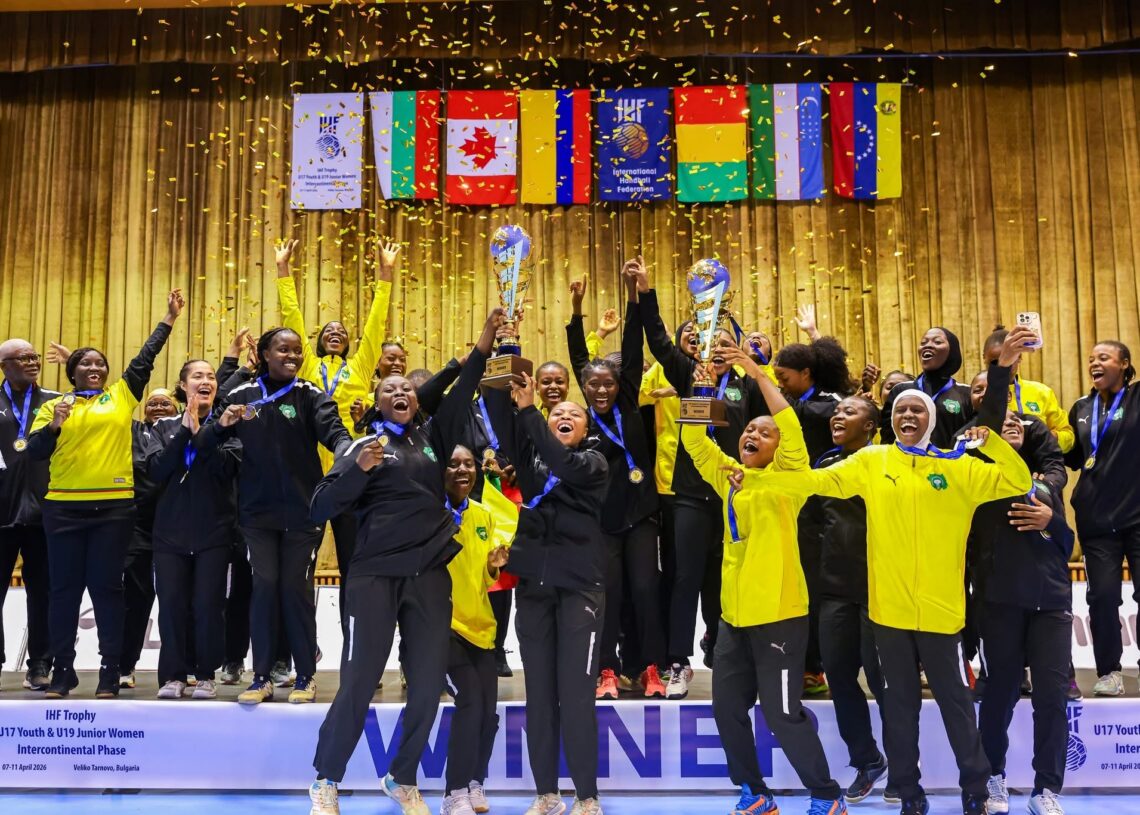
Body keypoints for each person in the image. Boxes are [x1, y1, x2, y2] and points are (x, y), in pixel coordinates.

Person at [763, 373, 1033, 815]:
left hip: (942, 613)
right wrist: (761, 482)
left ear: (930, 420)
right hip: (888, 613)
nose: (909, 415)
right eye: (901, 410)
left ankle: (976, 791)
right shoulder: (872, 461)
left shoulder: (958, 468)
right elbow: (815, 483)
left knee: (957, 708)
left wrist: (992, 443)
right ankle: (909, 793)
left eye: (918, 409)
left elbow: (1017, 479)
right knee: (900, 710)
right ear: (892, 419)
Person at [307, 309, 502, 815]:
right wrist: (356, 471)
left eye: (407, 389)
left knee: (427, 687)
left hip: (429, 575)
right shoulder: (361, 447)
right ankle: (326, 780)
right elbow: (321, 506)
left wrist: (484, 339)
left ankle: (402, 777)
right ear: (375, 402)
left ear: (417, 400)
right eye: (389, 389)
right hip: (373, 576)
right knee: (357, 684)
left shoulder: (435, 437)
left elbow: (462, 390)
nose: (401, 393)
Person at [679, 344, 847, 815]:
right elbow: (694, 442)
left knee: (781, 714)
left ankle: (827, 795)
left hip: (779, 616)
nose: (753, 433)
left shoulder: (789, 478)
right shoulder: (731, 476)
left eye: (763, 433)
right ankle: (754, 792)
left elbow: (789, 423)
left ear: (778, 449)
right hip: (734, 617)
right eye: (749, 429)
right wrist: (701, 387)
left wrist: (754, 371)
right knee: (727, 709)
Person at [27, 289, 183, 699]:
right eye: (86, 363)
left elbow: (144, 360)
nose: (94, 367)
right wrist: (55, 425)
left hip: (114, 510)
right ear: (73, 371)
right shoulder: (52, 407)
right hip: (62, 510)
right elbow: (36, 453)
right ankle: (63, 672)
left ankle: (110, 672)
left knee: (107, 591)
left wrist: (168, 319)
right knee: (62, 593)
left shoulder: (120, 396)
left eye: (100, 363)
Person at [198, 326, 351, 705]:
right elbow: (204, 439)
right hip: (255, 515)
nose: (293, 356)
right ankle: (261, 677)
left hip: (303, 515)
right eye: (283, 350)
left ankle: (305, 675)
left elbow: (336, 433)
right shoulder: (239, 395)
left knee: (294, 588)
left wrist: (349, 453)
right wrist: (222, 425)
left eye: (297, 351)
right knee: (264, 587)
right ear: (265, 354)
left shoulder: (310, 395)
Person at [481, 370, 609, 815]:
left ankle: (587, 795)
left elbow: (564, 465)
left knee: (575, 695)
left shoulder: (594, 462)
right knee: (539, 695)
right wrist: (500, 371)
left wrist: (535, 410)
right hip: (534, 588)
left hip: (581, 590)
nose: (565, 415)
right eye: (558, 414)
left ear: (586, 428)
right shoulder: (531, 459)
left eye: (574, 413)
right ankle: (546, 793)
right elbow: (502, 420)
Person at [638, 273, 770, 698]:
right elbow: (658, 340)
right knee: (686, 578)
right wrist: (646, 291)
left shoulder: (745, 383)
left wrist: (751, 363)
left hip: (734, 491)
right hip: (690, 494)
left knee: (726, 578)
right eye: (696, 335)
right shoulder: (683, 373)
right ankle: (678, 662)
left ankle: (723, 651)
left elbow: (769, 423)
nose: (705, 343)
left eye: (714, 337)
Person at [275, 237, 400, 614]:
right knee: (301, 569)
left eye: (342, 332)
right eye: (328, 330)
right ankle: (302, 649)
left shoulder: (360, 369)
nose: (336, 332)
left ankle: (354, 649)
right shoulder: (308, 369)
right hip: (308, 477)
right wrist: (283, 270)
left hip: (350, 476)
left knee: (353, 565)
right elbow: (292, 319)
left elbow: (376, 325)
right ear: (315, 342)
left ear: (349, 344)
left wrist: (386, 274)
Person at [567, 262, 664, 700]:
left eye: (608, 384)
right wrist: (576, 310)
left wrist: (633, 294)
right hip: (603, 521)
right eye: (594, 386)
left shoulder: (627, 401)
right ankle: (607, 669)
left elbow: (632, 340)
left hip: (642, 513)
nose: (602, 391)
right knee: (607, 592)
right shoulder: (584, 426)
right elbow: (577, 357)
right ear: (584, 388)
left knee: (646, 590)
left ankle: (650, 668)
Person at [973, 420, 1074, 815]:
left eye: (1019, 422)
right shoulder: (981, 479)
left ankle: (1046, 789)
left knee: (1051, 698)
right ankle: (993, 778)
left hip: (1051, 602)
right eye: (1004, 422)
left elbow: (1065, 544)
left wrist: (1051, 524)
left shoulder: (1047, 484)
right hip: (999, 602)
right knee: (1000, 695)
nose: (1012, 424)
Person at [812, 396, 894, 804]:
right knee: (840, 680)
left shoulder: (889, 462)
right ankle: (867, 761)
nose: (838, 416)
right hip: (833, 590)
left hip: (879, 591)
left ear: (873, 425)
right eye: (837, 411)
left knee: (884, 683)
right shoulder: (825, 465)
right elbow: (812, 523)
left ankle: (903, 768)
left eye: (850, 412)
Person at [144, 360, 241, 700]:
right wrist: (186, 430)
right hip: (169, 533)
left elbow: (226, 469)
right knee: (171, 605)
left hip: (215, 532)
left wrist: (205, 432)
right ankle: (173, 675)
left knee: (208, 606)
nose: (206, 381)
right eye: (197, 376)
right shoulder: (163, 427)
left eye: (211, 377)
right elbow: (157, 470)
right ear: (183, 385)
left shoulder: (228, 424)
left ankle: (205, 674)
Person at [773, 317, 858, 696]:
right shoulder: (792, 400)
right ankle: (802, 663)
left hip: (831, 510)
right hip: (796, 508)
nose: (780, 383)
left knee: (824, 590)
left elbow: (808, 417)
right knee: (798, 587)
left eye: (785, 377)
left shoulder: (830, 405)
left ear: (807, 373)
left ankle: (820, 666)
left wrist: (815, 334)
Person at [1063, 340, 1139, 697]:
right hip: (1096, 523)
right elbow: (1076, 458)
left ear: (1124, 364)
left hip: (1137, 518)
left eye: (1104, 358)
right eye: (1091, 358)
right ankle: (1109, 672)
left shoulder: (1137, 397)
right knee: (1103, 599)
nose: (1095, 363)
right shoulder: (1080, 408)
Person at [439, 444, 510, 815]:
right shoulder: (432, 513)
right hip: (444, 627)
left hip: (482, 628)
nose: (463, 470)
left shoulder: (483, 515)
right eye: (453, 464)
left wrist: (495, 566)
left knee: (489, 712)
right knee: (469, 703)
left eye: (469, 463)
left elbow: (483, 574)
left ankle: (474, 781)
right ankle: (453, 793)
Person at [0, 339, 59, 692]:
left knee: (44, 593)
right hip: (0, 513)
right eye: (24, 358)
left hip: (46, 512)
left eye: (35, 357)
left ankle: (40, 664)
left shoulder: (54, 401)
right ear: (4, 365)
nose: (33, 362)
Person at [119, 386, 179, 689]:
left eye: (165, 403)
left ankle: (183, 668)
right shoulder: (132, 431)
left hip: (177, 524)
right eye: (152, 403)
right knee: (136, 598)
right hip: (138, 527)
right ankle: (124, 665)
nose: (157, 407)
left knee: (179, 600)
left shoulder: (184, 429)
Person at [983, 327, 1074, 453]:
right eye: (994, 361)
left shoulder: (1041, 392)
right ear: (984, 358)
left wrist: (1044, 437)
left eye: (1010, 358)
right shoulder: (979, 394)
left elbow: (1068, 437)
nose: (1003, 364)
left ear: (1019, 357)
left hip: (1038, 469)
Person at [880, 328, 974, 446]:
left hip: (950, 462)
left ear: (952, 350)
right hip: (906, 463)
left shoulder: (966, 393)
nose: (928, 346)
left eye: (937, 342)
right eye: (923, 343)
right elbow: (887, 438)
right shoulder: (900, 390)